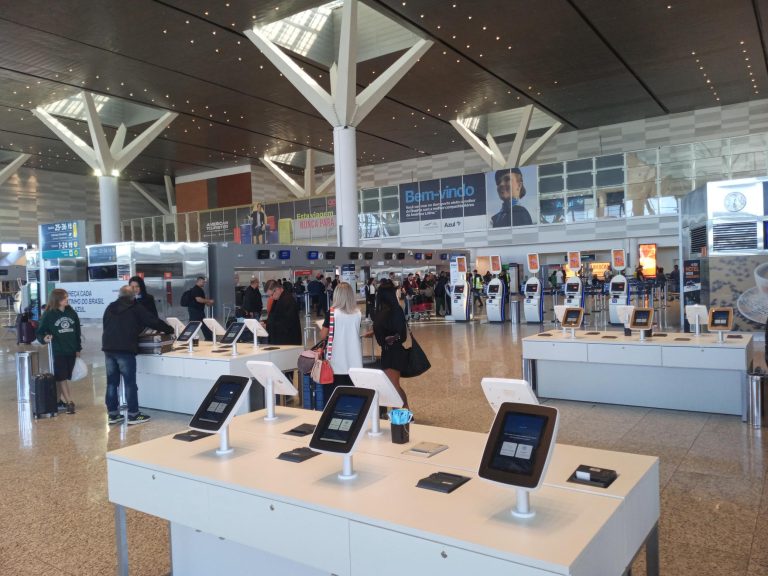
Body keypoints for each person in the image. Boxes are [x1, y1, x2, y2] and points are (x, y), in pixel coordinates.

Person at [102, 286, 174, 425]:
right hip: (125, 349)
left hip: (108, 348)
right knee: (130, 383)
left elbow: (106, 325)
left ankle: (113, 414)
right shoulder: (135, 307)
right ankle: (133, 414)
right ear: (133, 295)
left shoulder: (110, 307)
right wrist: (169, 329)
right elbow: (152, 321)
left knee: (112, 383)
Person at [36, 288, 81, 414]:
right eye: (63, 298)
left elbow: (77, 332)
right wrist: (44, 338)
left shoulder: (71, 312)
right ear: (57, 300)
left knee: (63, 377)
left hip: (71, 350)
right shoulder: (49, 314)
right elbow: (40, 332)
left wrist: (78, 348)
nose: (66, 299)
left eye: (66, 297)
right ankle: (69, 402)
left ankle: (56, 400)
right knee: (62, 377)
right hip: (58, 351)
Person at [319, 283, 363, 399]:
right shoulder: (358, 313)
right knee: (352, 397)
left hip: (335, 362)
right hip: (355, 362)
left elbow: (323, 335)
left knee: (334, 397)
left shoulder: (332, 313)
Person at [373, 281, 409, 407]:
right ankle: (404, 413)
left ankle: (405, 415)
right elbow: (401, 334)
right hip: (392, 351)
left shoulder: (384, 312)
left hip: (392, 352)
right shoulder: (396, 310)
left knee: (393, 386)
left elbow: (386, 333)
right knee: (394, 385)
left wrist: (386, 338)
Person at [263, 279, 302, 345]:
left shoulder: (288, 301)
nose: (271, 297)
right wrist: (265, 323)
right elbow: (274, 317)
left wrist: (268, 326)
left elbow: (286, 324)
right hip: (280, 341)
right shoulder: (278, 299)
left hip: (288, 342)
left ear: (277, 289)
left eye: (272, 295)